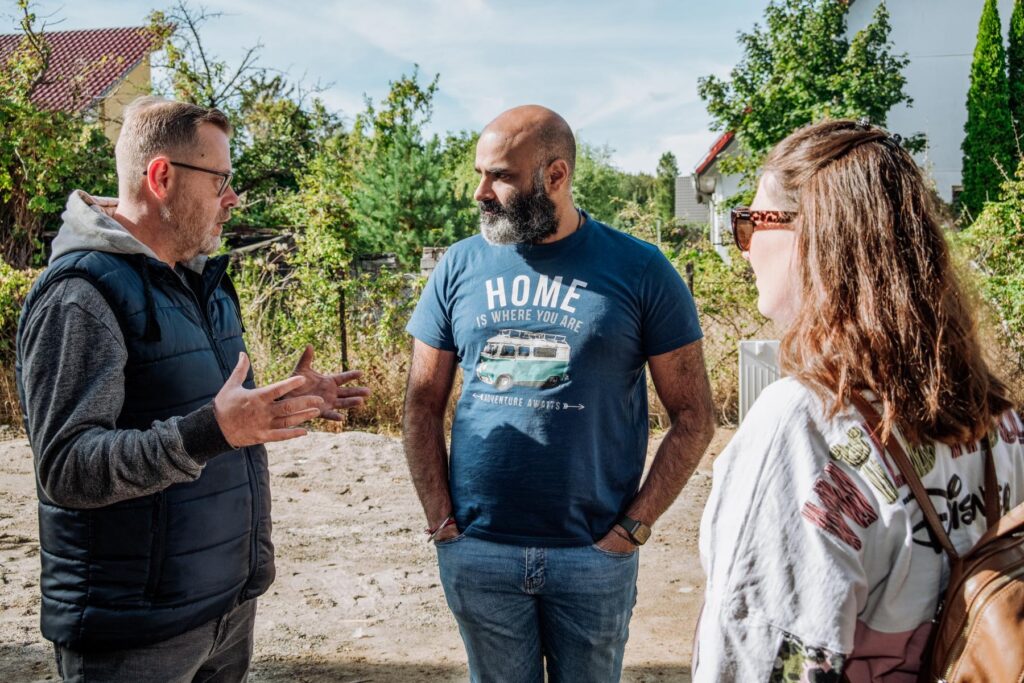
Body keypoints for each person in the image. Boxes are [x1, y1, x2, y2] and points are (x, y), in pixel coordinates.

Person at [15, 96, 370, 682]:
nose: (233, 199)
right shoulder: (80, 295)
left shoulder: (202, 281)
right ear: (161, 177)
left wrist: (282, 402)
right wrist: (213, 431)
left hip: (224, 608)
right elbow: (67, 467)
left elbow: (212, 412)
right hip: (133, 634)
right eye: (222, 181)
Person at [693, 119, 1023, 681]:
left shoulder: (802, 425)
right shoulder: (998, 419)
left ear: (814, 235)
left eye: (748, 222)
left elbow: (755, 655)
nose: (743, 247)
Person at [402, 104, 715, 681]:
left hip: (592, 557)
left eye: (499, 175)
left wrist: (633, 529)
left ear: (556, 175)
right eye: (479, 173)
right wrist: (440, 518)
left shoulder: (641, 269)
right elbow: (421, 401)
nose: (481, 192)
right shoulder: (458, 266)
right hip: (480, 551)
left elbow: (695, 415)